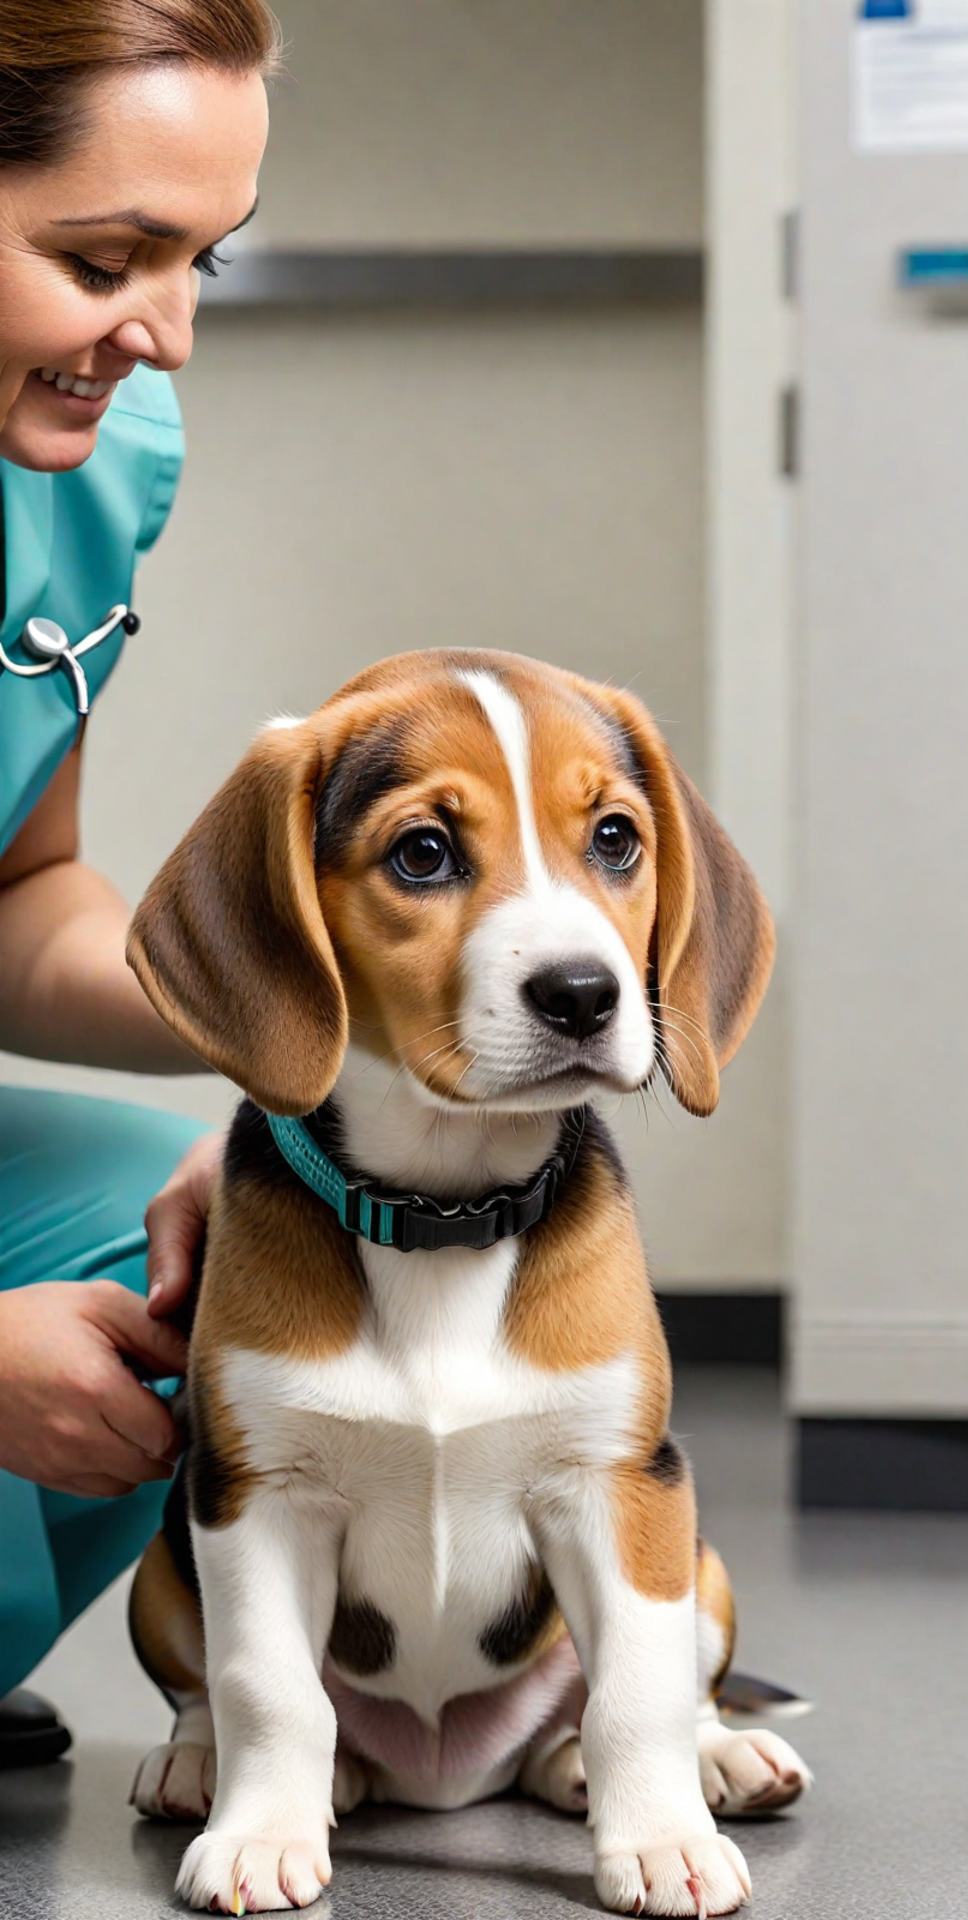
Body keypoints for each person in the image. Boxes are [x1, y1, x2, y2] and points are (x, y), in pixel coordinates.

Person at [0, 0, 278, 1766]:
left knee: (225, 1233)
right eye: (104, 255)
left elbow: (22, 895)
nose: (159, 332)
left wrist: (291, 1027)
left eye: (203, 263)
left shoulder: (95, 463)